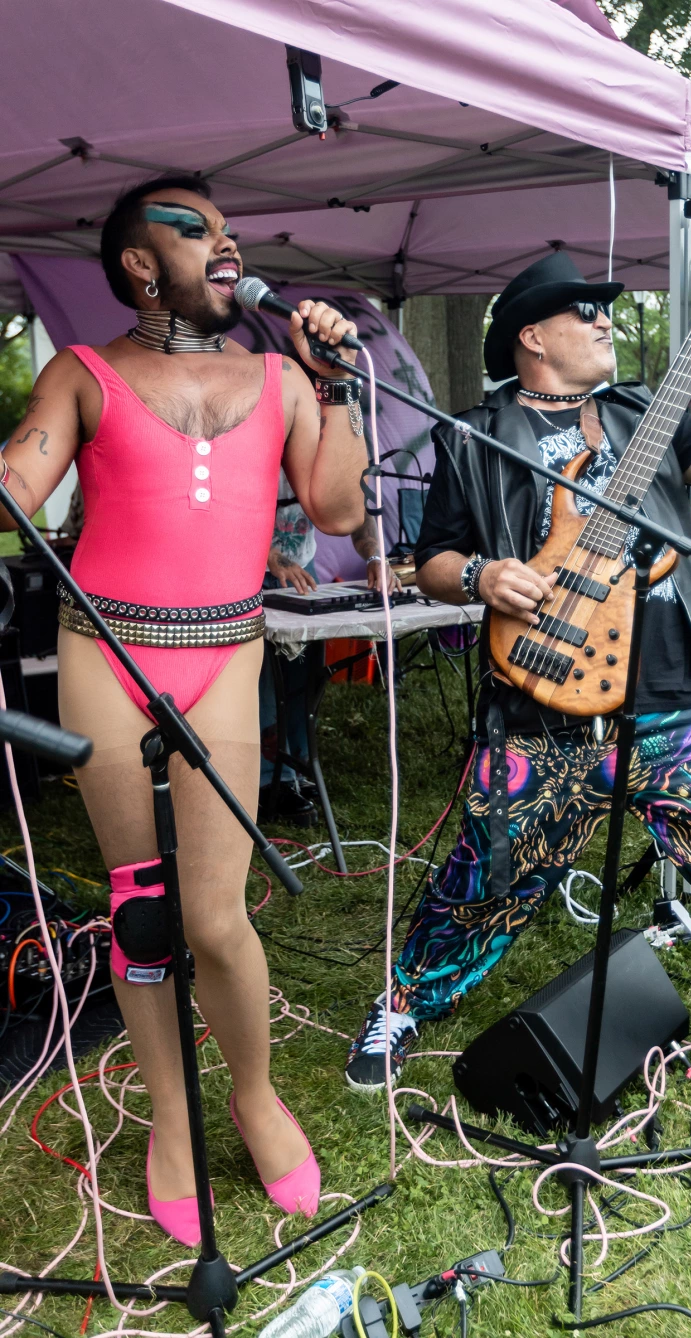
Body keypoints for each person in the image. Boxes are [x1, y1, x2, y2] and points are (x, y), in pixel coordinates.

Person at [345, 250, 691, 1091]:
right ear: (531, 336)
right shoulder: (474, 439)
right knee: (483, 877)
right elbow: (430, 558)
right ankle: (404, 1004)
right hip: (541, 705)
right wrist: (479, 576)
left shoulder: (638, 414)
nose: (601, 320)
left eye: (603, 309)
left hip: (679, 702)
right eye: (582, 312)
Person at [0, 175, 368, 1244]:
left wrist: (336, 384)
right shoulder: (82, 374)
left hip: (226, 658)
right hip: (102, 655)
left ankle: (252, 1097)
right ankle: (170, 1118)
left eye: (226, 228)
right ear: (136, 265)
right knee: (144, 915)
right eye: (192, 228)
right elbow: (20, 482)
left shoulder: (281, 374)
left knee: (216, 916)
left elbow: (337, 505)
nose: (224, 241)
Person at [259, 488, 401, 821]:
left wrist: (374, 556)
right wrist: (270, 556)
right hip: (251, 563)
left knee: (304, 675)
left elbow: (352, 503)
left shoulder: (330, 437)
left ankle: (298, 768)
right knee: (263, 682)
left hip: (301, 565)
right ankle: (267, 780)